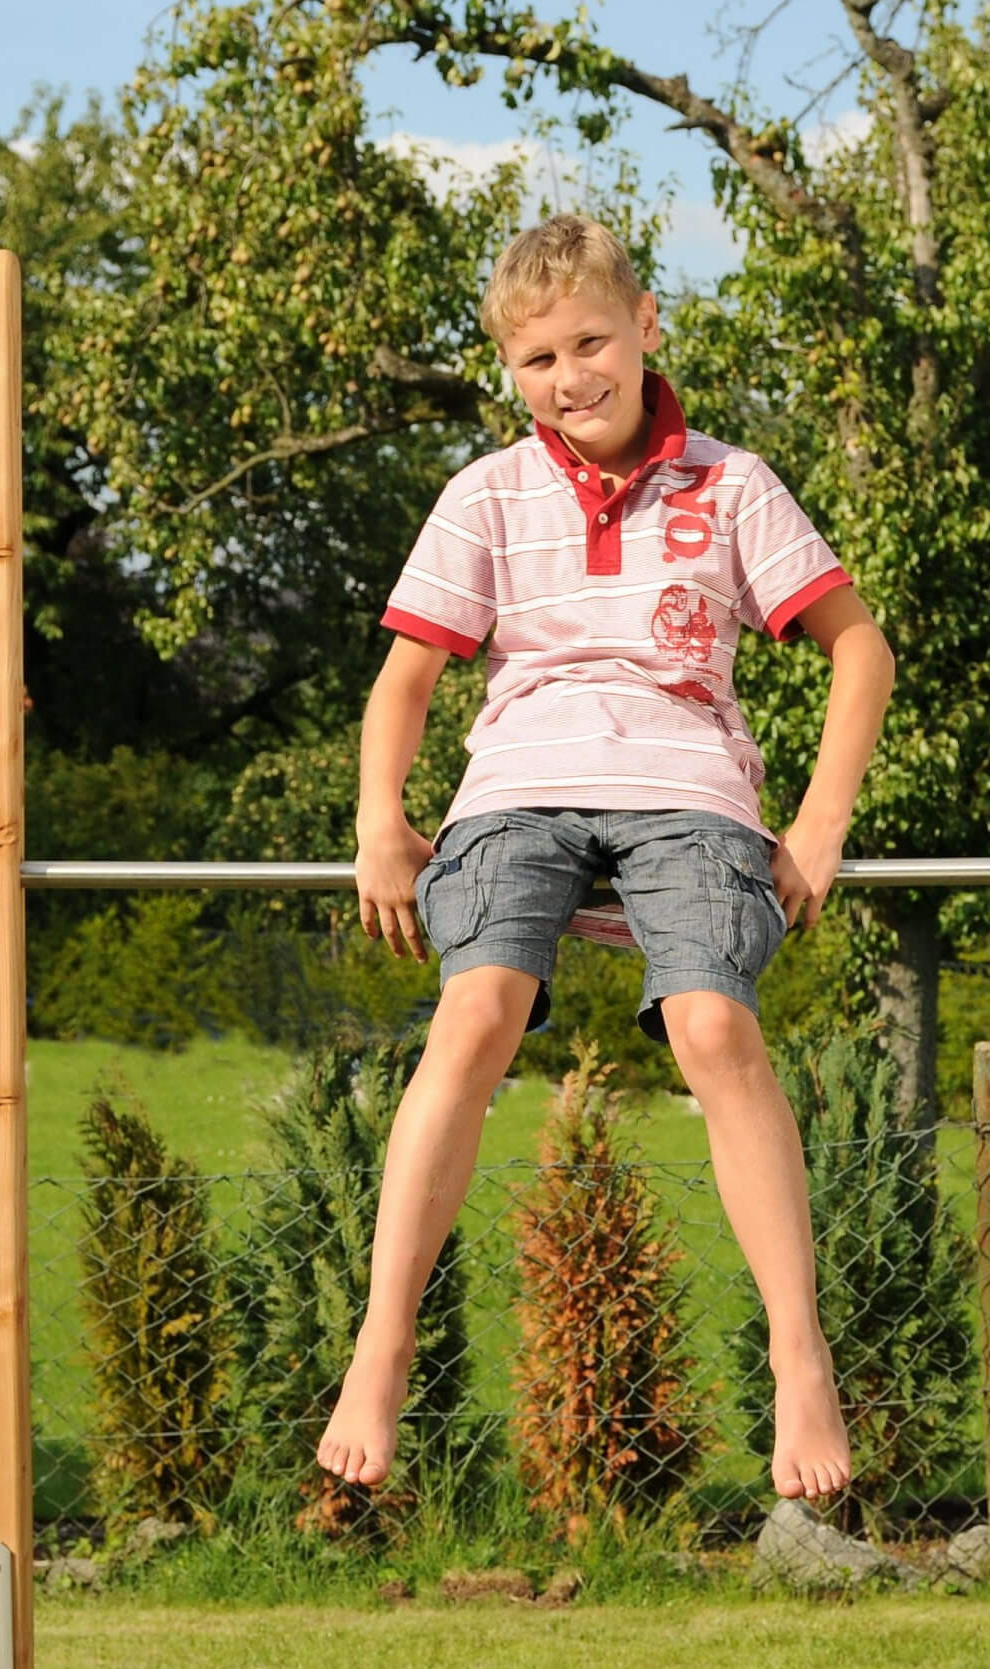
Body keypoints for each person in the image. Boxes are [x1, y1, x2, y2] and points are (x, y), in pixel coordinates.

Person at [316, 213, 895, 1504]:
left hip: (684, 789)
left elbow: (859, 650)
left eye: (589, 340)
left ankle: (800, 1353)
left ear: (645, 328)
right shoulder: (486, 497)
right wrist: (377, 818)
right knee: (473, 1015)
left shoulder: (731, 486)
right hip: (517, 786)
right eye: (534, 358)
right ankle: (383, 1341)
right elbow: (405, 679)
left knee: (709, 1025)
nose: (568, 375)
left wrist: (813, 828)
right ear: (509, 373)